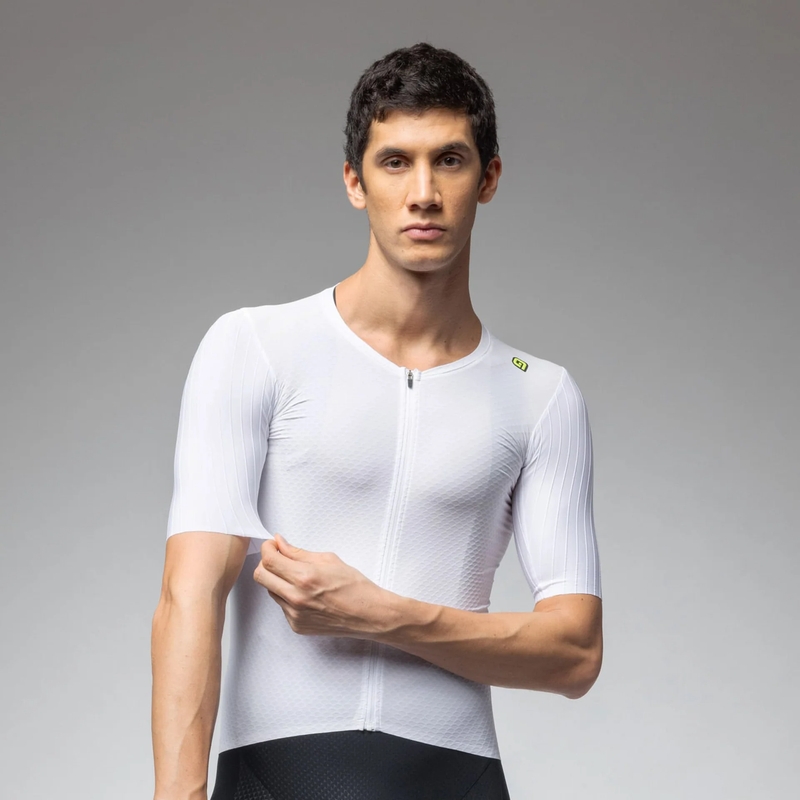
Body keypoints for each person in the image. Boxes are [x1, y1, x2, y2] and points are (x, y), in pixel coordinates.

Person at [151, 42, 603, 800]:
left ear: (488, 178)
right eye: (396, 162)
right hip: (278, 776)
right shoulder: (256, 347)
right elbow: (187, 597)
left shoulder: (543, 397)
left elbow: (576, 654)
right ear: (355, 183)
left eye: (449, 161)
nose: (423, 193)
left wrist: (383, 614)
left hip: (457, 779)